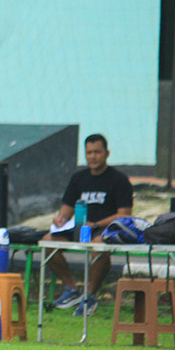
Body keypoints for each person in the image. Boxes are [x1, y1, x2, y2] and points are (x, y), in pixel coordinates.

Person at [43, 134, 133, 316]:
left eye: (97, 152)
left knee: (99, 246)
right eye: (89, 153)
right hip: (79, 228)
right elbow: (66, 209)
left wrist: (96, 224)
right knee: (47, 241)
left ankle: (90, 296)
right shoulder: (78, 178)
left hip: (105, 230)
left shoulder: (119, 180)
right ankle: (71, 288)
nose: (92, 156)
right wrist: (60, 220)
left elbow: (124, 214)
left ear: (107, 154)